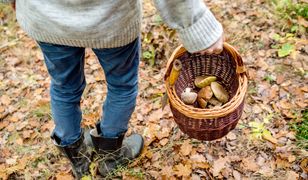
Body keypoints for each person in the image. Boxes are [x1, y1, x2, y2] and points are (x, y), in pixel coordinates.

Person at [1, 0, 224, 178]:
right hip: (109, 22)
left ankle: (78, 158)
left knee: (63, 88)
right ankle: (110, 155)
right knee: (122, 86)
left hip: (47, 17)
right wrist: (196, 24)